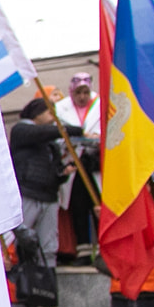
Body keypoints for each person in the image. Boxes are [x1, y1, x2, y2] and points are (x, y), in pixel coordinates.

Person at [7, 97, 68, 271]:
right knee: (21, 238)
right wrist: (68, 130)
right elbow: (39, 134)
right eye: (49, 112)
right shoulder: (22, 130)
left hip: (48, 196)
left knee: (48, 243)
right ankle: (20, 278)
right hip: (28, 192)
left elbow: (56, 169)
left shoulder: (51, 142)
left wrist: (62, 173)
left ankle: (47, 279)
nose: (52, 117)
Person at [55, 74, 102, 252]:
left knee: (98, 205)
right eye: (78, 92)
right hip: (74, 163)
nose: (82, 96)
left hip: (95, 163)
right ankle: (83, 249)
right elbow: (57, 133)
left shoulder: (101, 103)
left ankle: (103, 249)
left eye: (85, 92)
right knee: (78, 206)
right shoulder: (60, 108)